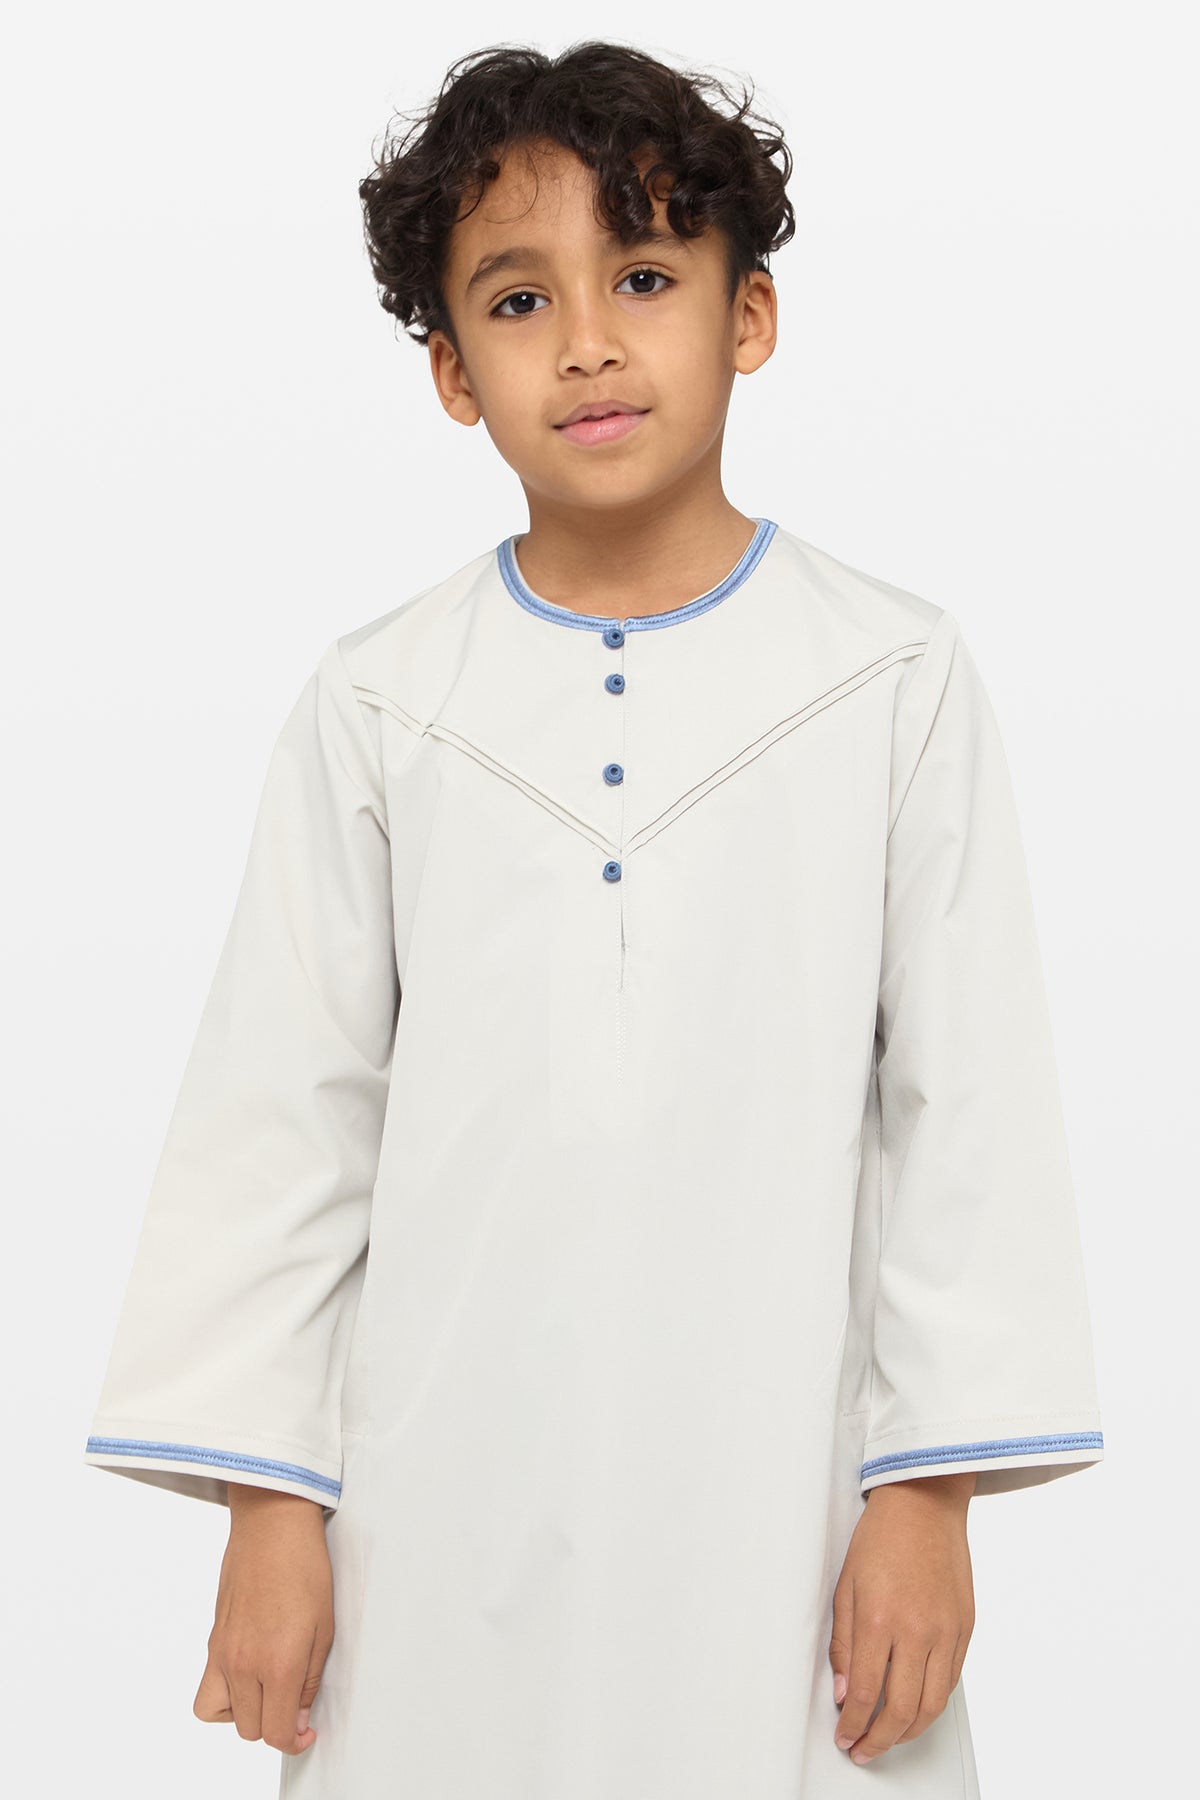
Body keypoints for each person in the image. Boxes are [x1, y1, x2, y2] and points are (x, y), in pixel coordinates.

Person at [82, 38, 1104, 1798]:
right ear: (450, 372)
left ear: (748, 314)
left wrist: (928, 1496)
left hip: (790, 1508)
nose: (586, 343)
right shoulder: (382, 702)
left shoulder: (890, 676)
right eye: (517, 299)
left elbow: (969, 1110)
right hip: (437, 1513)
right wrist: (269, 1508)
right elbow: (284, 1116)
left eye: (642, 276)